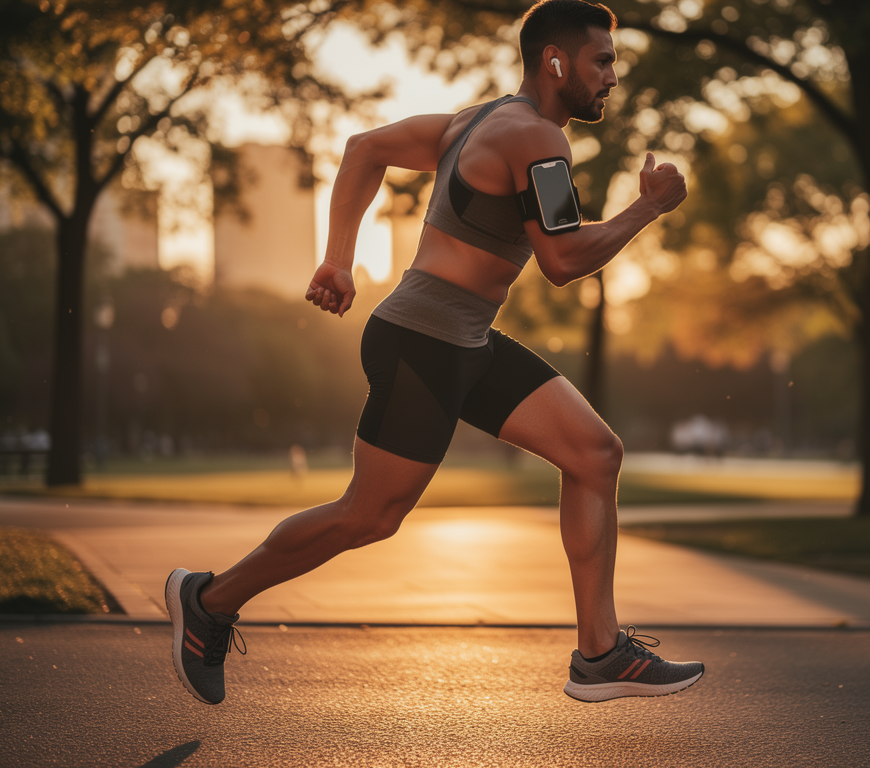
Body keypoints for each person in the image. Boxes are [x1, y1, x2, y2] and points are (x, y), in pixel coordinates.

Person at [165, 0, 703, 706]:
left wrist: (338, 260)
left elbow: (364, 148)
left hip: (462, 337)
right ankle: (208, 601)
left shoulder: (473, 122)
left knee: (595, 454)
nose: (612, 76)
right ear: (555, 62)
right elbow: (564, 260)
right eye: (601, 61)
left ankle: (600, 653)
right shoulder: (538, 138)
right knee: (369, 515)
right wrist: (648, 208)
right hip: (425, 340)